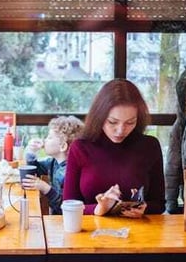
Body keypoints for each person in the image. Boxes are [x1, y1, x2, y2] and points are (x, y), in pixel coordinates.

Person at [63, 79, 165, 218]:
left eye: (130, 122)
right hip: (90, 234)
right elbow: (68, 205)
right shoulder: (81, 147)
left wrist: (145, 208)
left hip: (139, 233)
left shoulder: (149, 146)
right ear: (99, 117)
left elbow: (159, 204)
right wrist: (98, 209)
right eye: (113, 122)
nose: (120, 130)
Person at [22, 116, 84, 214]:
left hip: (67, 221)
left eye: (50, 137)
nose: (45, 140)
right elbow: (35, 169)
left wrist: (45, 188)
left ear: (63, 146)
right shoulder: (53, 162)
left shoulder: (68, 173)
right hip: (57, 219)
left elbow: (65, 208)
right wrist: (32, 151)